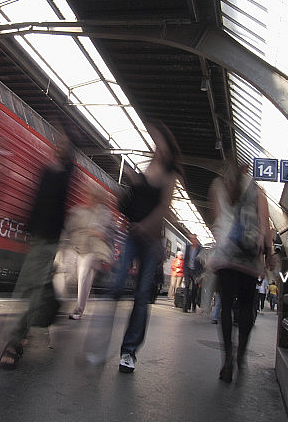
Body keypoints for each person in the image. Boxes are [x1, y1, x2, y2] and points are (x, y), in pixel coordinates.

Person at [0, 129, 75, 370]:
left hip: (49, 237)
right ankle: (24, 331)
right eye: (57, 142)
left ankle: (14, 341)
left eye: (63, 143)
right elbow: (37, 200)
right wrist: (25, 229)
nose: (57, 146)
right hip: (37, 235)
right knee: (34, 285)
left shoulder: (66, 173)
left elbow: (54, 200)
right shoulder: (49, 170)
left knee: (28, 286)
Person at [112, 120, 182, 373]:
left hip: (150, 240)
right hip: (132, 234)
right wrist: (131, 180)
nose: (157, 146)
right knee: (117, 283)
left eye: (160, 142)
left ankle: (128, 351)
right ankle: (101, 342)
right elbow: (132, 198)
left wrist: (146, 226)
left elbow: (163, 208)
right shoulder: (147, 166)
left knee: (141, 296)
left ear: (167, 146)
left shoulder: (169, 175)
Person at [207, 159, 275, 383]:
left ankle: (226, 359)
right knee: (246, 307)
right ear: (246, 169)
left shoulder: (217, 185)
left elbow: (216, 222)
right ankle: (241, 354)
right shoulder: (256, 189)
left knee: (226, 306)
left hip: (226, 256)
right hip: (248, 258)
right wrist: (268, 255)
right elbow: (265, 226)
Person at [53, 185, 114, 320]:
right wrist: (62, 246)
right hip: (74, 248)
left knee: (84, 271)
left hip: (92, 252)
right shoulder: (78, 211)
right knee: (62, 269)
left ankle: (78, 309)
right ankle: (57, 300)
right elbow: (67, 229)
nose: (92, 199)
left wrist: (99, 233)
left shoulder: (105, 214)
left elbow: (108, 234)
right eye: (91, 196)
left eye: (96, 197)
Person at [182, 233, 202, 313]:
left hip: (196, 271)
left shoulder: (200, 249)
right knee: (186, 287)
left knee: (194, 288)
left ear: (196, 240)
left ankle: (193, 304)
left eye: (193, 239)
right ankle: (185, 306)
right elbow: (185, 259)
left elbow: (202, 261)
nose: (192, 240)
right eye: (191, 239)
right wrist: (184, 270)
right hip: (188, 270)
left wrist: (200, 273)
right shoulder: (187, 248)